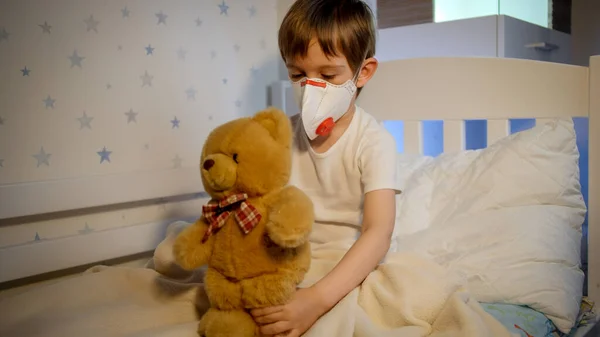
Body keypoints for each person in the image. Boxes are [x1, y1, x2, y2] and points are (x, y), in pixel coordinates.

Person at [250, 0, 399, 336]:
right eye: (298, 75)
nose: (311, 87)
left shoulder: (374, 142)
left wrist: (315, 300)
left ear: (363, 72)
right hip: (290, 258)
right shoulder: (278, 136)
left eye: (328, 75)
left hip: (346, 262)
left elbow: (378, 233)